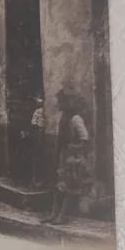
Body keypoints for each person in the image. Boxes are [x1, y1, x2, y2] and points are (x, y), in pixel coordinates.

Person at [41, 87, 92, 225]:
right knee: (57, 186)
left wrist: (71, 149)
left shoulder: (76, 119)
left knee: (69, 187)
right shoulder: (62, 116)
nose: (58, 103)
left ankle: (62, 216)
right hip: (63, 156)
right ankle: (53, 214)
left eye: (61, 100)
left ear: (69, 102)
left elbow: (85, 139)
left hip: (72, 159)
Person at [28, 91, 46, 188]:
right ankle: (36, 180)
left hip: (37, 137)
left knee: (36, 159)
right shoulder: (43, 111)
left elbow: (36, 126)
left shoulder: (38, 111)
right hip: (41, 138)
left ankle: (35, 180)